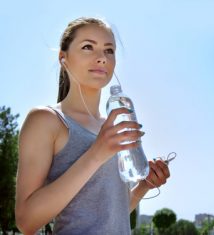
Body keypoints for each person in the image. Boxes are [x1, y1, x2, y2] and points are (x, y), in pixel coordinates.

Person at [15, 17, 170, 235]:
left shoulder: (110, 127)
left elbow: (108, 215)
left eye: (109, 50)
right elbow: (26, 221)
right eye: (88, 47)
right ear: (63, 58)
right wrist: (96, 154)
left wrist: (143, 186)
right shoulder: (46, 120)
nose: (101, 58)